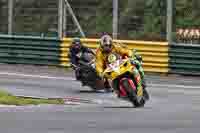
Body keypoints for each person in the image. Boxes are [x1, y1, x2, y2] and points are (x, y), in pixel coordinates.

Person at [95, 34, 149, 100]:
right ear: (101, 45)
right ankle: (117, 91)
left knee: (136, 63)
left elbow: (126, 51)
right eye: (104, 46)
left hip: (121, 62)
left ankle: (142, 81)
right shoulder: (99, 52)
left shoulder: (116, 46)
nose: (106, 48)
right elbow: (98, 64)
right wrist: (100, 72)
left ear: (111, 44)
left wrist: (131, 55)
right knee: (104, 79)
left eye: (108, 45)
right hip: (110, 68)